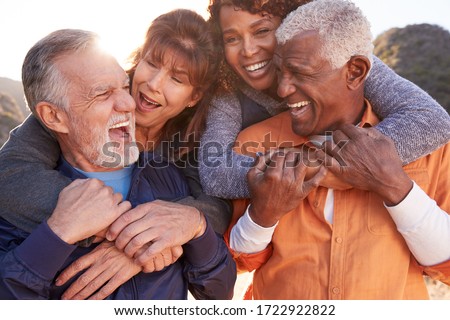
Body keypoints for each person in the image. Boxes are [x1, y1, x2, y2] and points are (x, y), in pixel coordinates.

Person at [0, 10, 233, 299]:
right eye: (152, 63)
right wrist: (129, 234)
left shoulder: (193, 141)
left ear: (194, 97)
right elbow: (10, 174)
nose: (153, 84)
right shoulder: (74, 110)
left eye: (177, 78)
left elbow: (217, 205)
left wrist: (179, 225)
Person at [226, 0, 450, 299]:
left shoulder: (430, 147)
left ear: (355, 72)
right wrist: (264, 214)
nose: (282, 89)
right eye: (281, 72)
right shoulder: (252, 142)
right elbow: (235, 262)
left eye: (301, 73)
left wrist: (395, 187)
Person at [198, 0, 450, 199]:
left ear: (291, 24)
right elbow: (215, 171)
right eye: (231, 38)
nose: (249, 50)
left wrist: (330, 163)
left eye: (262, 31)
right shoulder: (227, 93)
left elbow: (430, 119)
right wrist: (307, 167)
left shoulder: (342, 61)